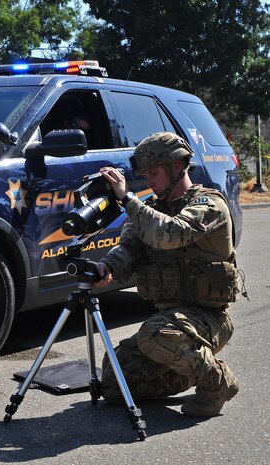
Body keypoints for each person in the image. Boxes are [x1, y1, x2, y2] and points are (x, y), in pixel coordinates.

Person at [94, 131, 240, 417]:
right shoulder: (149, 211)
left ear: (177, 165)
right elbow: (129, 249)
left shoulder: (209, 205)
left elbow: (169, 233)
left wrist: (128, 200)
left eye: (154, 173)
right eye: (145, 174)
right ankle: (186, 369)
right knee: (114, 383)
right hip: (171, 319)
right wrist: (106, 267)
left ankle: (217, 382)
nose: (149, 181)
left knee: (156, 334)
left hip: (209, 318)